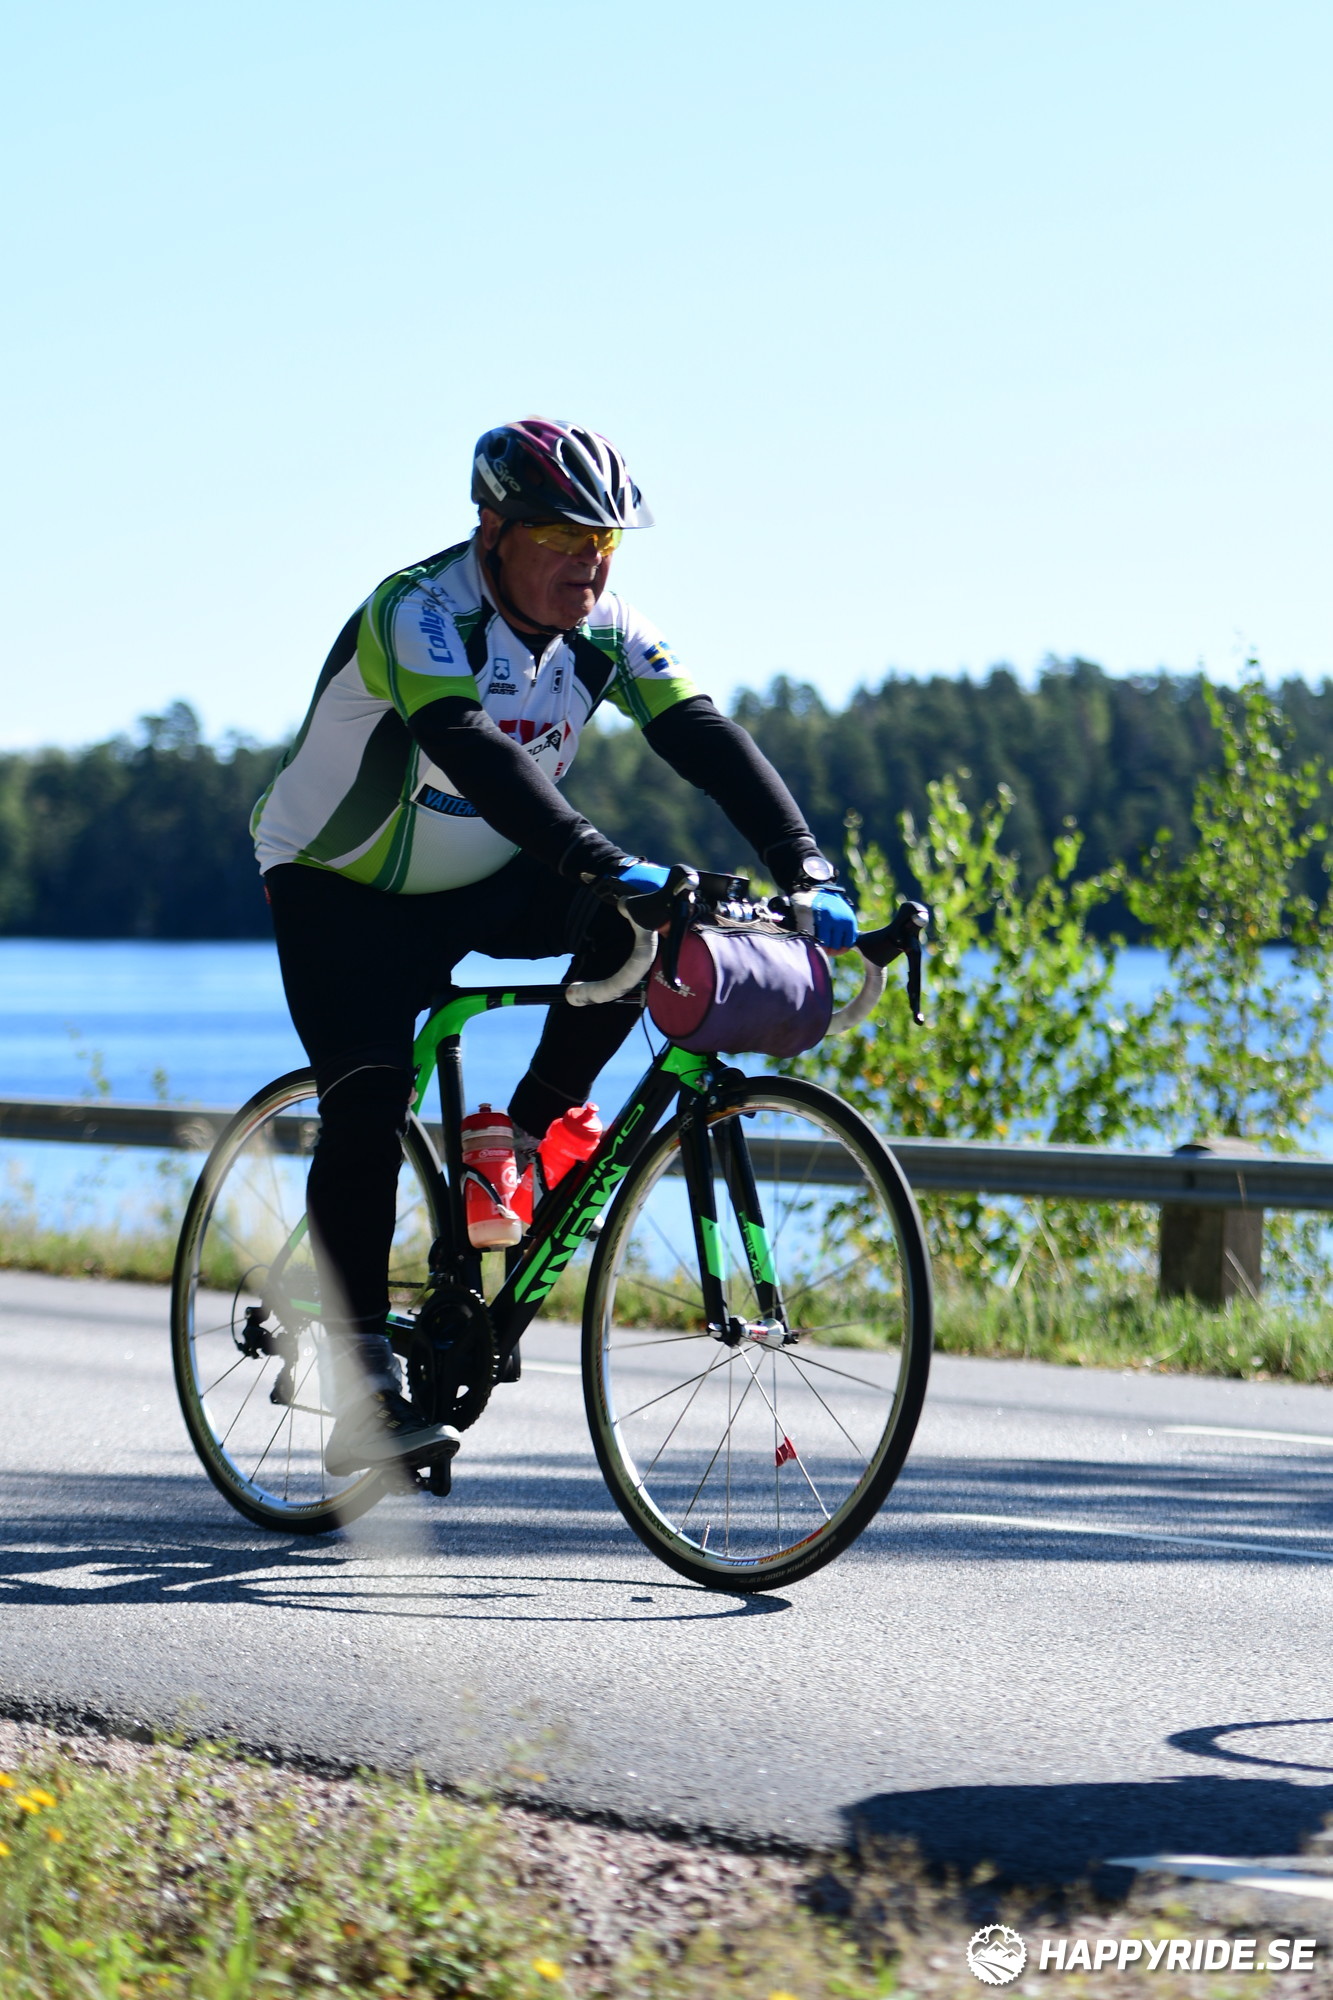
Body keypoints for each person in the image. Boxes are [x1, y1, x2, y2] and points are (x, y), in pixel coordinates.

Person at [252, 417, 856, 1476]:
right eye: (565, 536)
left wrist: (803, 866)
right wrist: (595, 855)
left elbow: (701, 734)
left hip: (481, 878)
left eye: (605, 541)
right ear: (493, 530)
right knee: (369, 1102)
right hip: (337, 888)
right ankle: (360, 1381)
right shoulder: (417, 611)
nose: (591, 561)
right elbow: (468, 744)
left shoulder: (606, 627)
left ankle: (520, 1149)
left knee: (640, 929)